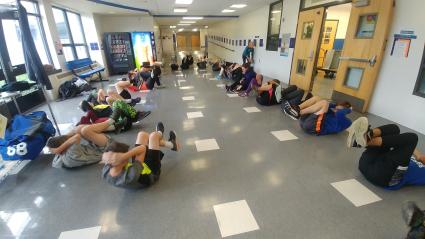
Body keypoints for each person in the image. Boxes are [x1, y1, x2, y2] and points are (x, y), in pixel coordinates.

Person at [347, 117, 425, 190]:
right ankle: (366, 137)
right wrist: (419, 156)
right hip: (369, 164)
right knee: (394, 128)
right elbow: (415, 152)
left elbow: (416, 152)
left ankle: (361, 142)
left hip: (383, 177)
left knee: (412, 138)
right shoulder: (404, 155)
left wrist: (419, 156)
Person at [102, 122, 179, 189]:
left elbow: (109, 157)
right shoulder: (131, 175)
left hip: (139, 168)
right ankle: (160, 134)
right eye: (126, 158)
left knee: (142, 134)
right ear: (122, 160)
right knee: (153, 136)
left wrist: (119, 157)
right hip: (151, 172)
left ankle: (172, 144)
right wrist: (124, 155)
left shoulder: (107, 170)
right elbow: (142, 148)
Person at [47, 119, 122, 168]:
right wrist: (58, 149)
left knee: (78, 129)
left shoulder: (64, 153)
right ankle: (112, 120)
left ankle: (114, 126)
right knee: (84, 131)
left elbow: (73, 134)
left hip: (95, 146)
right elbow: (77, 137)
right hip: (106, 149)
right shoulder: (70, 155)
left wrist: (58, 149)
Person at [283, 96, 352, 136]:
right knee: (318, 98)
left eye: (342, 108)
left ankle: (298, 113)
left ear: (345, 110)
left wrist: (349, 109)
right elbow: (328, 105)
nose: (336, 109)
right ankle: (297, 109)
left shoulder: (347, 121)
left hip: (314, 129)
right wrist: (336, 106)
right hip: (305, 122)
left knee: (324, 103)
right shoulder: (331, 112)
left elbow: (339, 114)